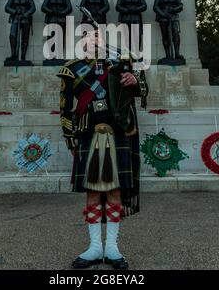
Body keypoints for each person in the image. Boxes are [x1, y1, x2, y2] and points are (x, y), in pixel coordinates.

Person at [57, 27, 148, 269]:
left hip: (118, 133)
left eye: (97, 35)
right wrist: (70, 137)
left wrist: (134, 80)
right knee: (93, 192)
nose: (93, 39)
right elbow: (65, 108)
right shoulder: (72, 69)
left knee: (115, 191)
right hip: (89, 134)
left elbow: (144, 89)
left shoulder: (121, 61)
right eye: (87, 36)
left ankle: (112, 247)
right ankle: (95, 247)